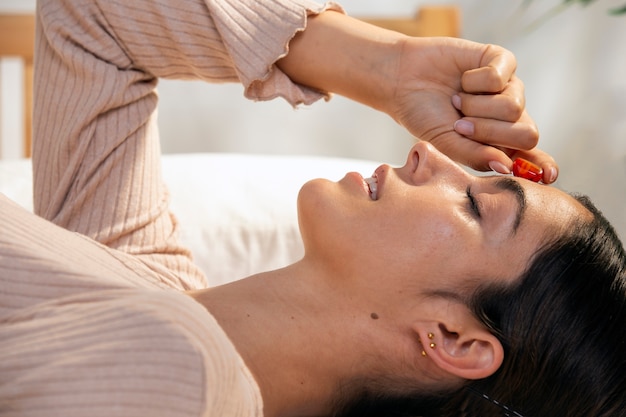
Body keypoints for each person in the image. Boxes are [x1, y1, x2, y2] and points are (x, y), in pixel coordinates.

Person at [0, 1, 624, 417]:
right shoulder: (146, 279)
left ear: (455, 340)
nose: (428, 157)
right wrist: (388, 68)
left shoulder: (185, 379)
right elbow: (92, 19)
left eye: (474, 201)